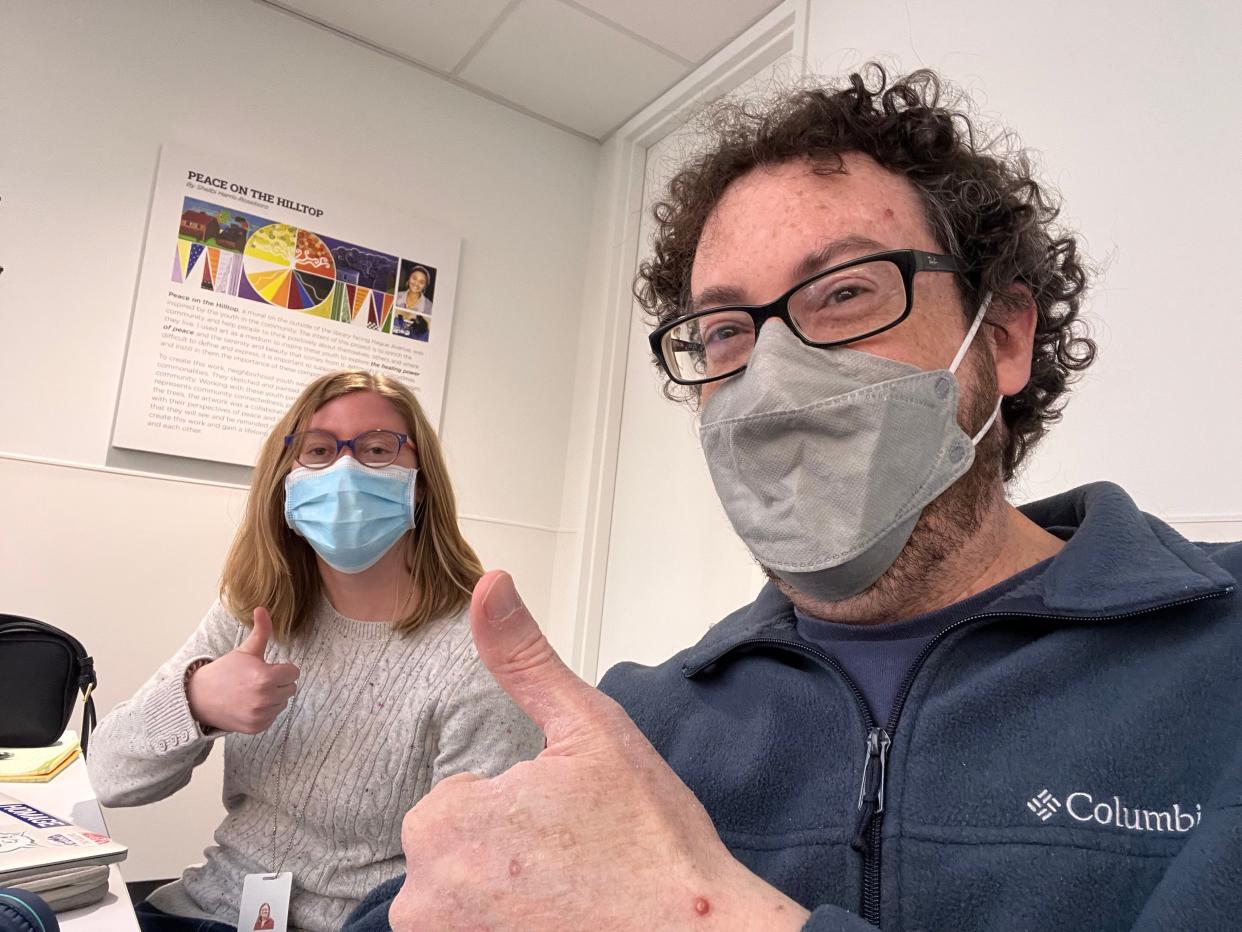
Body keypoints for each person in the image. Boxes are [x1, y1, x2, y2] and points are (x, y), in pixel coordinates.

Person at [345, 65, 1242, 931]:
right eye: (728, 330)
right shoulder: (647, 724)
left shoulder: (1219, 663)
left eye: (846, 292)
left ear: (1001, 338)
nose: (772, 382)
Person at [89, 370, 543, 932]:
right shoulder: (255, 610)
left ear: (421, 482)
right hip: (209, 906)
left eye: (378, 449)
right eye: (319, 450)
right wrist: (196, 702)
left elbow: (474, 879)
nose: (346, 470)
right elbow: (109, 776)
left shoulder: (476, 654)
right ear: (287, 480)